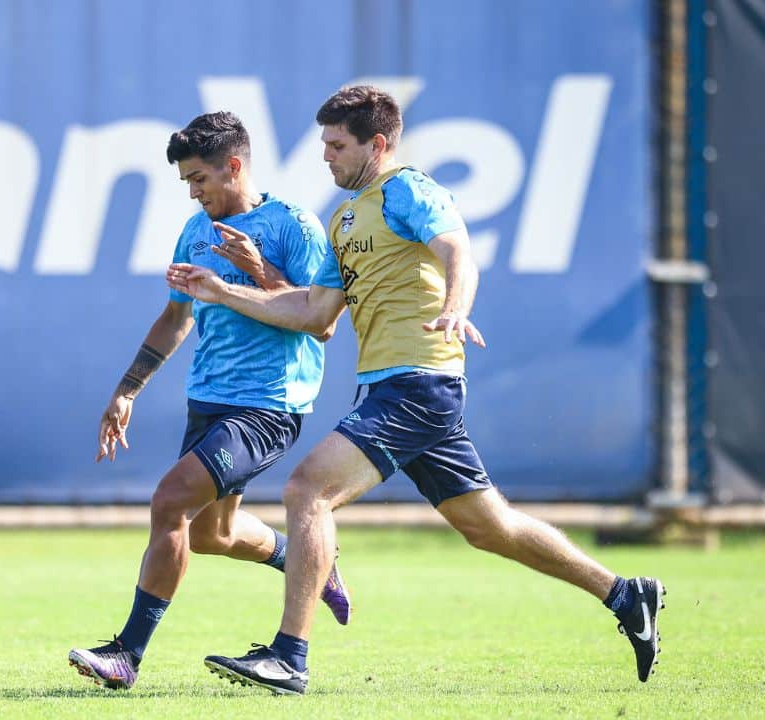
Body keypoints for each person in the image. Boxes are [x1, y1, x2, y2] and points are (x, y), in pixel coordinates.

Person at [168, 86, 665, 696]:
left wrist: (455, 307)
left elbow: (458, 248)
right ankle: (624, 594)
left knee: (307, 491)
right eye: (323, 143)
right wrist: (223, 291)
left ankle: (289, 657)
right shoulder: (345, 218)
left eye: (336, 144)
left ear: (377, 144)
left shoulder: (409, 190)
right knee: (489, 527)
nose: (325, 156)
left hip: (419, 382)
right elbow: (314, 312)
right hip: (393, 386)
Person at [67, 111, 353, 691]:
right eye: (186, 183)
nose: (193, 192)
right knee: (209, 533)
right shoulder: (195, 231)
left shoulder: (292, 226)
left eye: (199, 179)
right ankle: (304, 557)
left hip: (268, 404)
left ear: (234, 166)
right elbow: (176, 318)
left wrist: (259, 269)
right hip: (209, 400)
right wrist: (127, 391)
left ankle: (126, 655)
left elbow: (320, 324)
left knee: (170, 501)